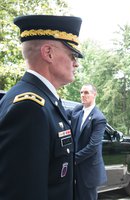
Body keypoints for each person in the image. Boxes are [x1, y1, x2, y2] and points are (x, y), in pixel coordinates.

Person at [0, 15, 83, 200]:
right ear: (48, 53)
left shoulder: (43, 101)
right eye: (72, 55)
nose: (76, 63)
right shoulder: (30, 107)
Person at [67, 84, 107, 200]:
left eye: (86, 92)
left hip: (88, 171)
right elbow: (62, 114)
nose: (83, 95)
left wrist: (73, 159)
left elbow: (93, 147)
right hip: (74, 170)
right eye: (81, 92)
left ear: (94, 94)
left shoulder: (99, 118)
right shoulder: (77, 110)